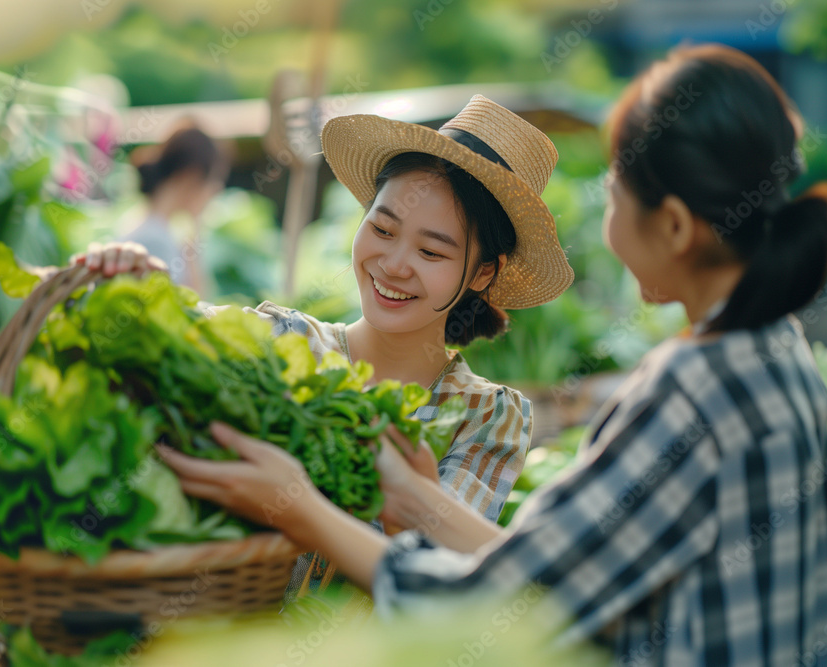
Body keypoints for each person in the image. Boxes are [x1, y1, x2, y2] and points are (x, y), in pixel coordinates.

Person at [155, 44, 827, 665]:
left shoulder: (694, 390)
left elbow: (504, 602)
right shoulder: (776, 350)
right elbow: (550, 569)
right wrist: (416, 499)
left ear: (672, 225)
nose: (398, 263)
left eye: (613, 196)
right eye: (385, 227)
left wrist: (297, 504)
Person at [78, 95, 574, 525]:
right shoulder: (284, 340)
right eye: (382, 230)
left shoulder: (486, 416)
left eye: (432, 252)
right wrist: (133, 286)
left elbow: (431, 577)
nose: (394, 265)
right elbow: (179, 331)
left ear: (484, 273)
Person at [118, 123, 228, 298]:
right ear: (192, 176)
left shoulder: (152, 227)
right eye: (213, 179)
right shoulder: (155, 241)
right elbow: (192, 309)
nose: (215, 191)